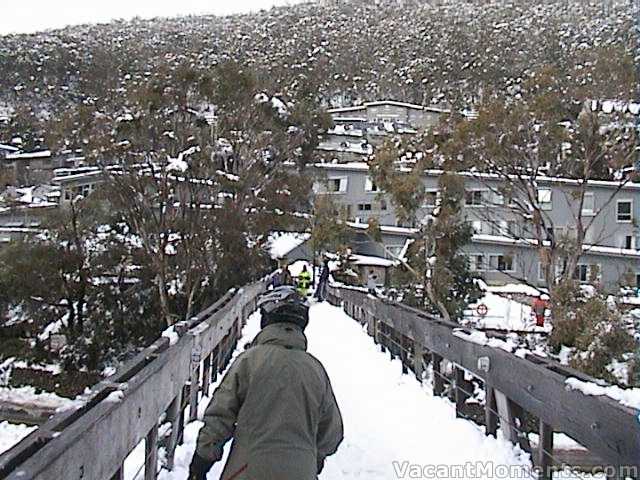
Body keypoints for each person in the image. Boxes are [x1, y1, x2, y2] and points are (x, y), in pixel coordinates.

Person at [189, 286, 343, 480]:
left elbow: (220, 416)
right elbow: (332, 433)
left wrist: (201, 463)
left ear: (267, 319)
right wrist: (313, 457)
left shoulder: (248, 361)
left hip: (248, 469)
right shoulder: (316, 370)